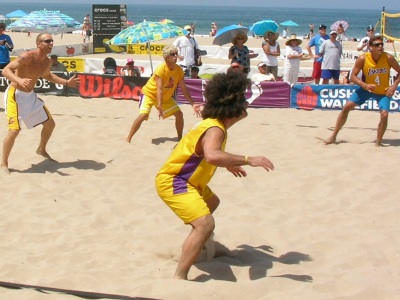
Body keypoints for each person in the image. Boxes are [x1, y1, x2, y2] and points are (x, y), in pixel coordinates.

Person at [155, 72, 275, 280]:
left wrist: (227, 163)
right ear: (232, 107)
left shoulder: (214, 123)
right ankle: (179, 277)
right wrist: (248, 159)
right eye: (242, 101)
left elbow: (205, 152)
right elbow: (212, 155)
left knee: (212, 202)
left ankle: (202, 248)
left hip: (192, 182)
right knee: (205, 224)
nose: (246, 104)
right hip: (175, 181)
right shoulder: (215, 127)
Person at [1, 33, 80, 174]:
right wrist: (19, 80)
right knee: (14, 130)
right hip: (15, 94)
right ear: (39, 44)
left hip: (30, 96)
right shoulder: (27, 56)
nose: (51, 44)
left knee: (50, 124)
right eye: (47, 41)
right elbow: (6, 70)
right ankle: (3, 164)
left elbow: (48, 76)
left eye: (52, 41)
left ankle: (41, 149)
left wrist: (67, 82)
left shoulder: (47, 62)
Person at [324, 36, 400, 147]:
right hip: (366, 89)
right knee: (346, 107)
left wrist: (393, 86)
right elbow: (353, 77)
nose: (380, 47)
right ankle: (334, 135)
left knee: (384, 114)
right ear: (370, 47)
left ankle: (378, 143)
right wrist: (364, 85)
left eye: (381, 45)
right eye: (377, 45)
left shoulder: (388, 57)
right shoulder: (363, 58)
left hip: (382, 91)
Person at [126, 45, 201, 143]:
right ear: (166, 57)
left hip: (164, 97)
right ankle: (128, 139)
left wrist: (193, 104)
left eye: (176, 54)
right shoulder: (161, 69)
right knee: (143, 115)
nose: (175, 56)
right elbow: (159, 89)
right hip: (149, 94)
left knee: (179, 114)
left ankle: (179, 139)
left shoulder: (178, 70)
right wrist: (159, 105)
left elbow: (184, 88)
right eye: (172, 54)